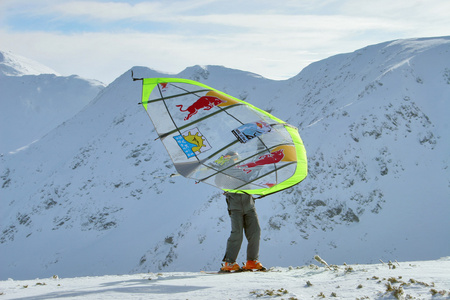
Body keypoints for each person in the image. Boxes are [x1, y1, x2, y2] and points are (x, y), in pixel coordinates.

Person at [215, 151, 265, 272]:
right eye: (232, 159)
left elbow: (258, 166)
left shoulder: (244, 170)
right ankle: (229, 262)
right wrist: (223, 166)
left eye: (236, 158)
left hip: (249, 207)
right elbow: (219, 182)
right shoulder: (225, 173)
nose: (235, 161)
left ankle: (252, 261)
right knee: (237, 234)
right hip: (235, 208)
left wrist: (262, 151)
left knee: (255, 232)